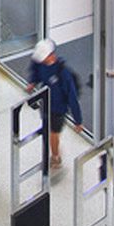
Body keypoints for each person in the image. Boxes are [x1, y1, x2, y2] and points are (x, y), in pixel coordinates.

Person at [28, 40, 83, 173]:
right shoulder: (41, 65)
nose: (41, 62)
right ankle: (54, 149)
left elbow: (72, 97)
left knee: (53, 133)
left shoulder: (63, 74)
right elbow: (36, 71)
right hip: (46, 104)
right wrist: (33, 82)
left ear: (51, 55)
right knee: (49, 131)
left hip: (58, 109)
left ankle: (55, 156)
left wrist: (78, 120)